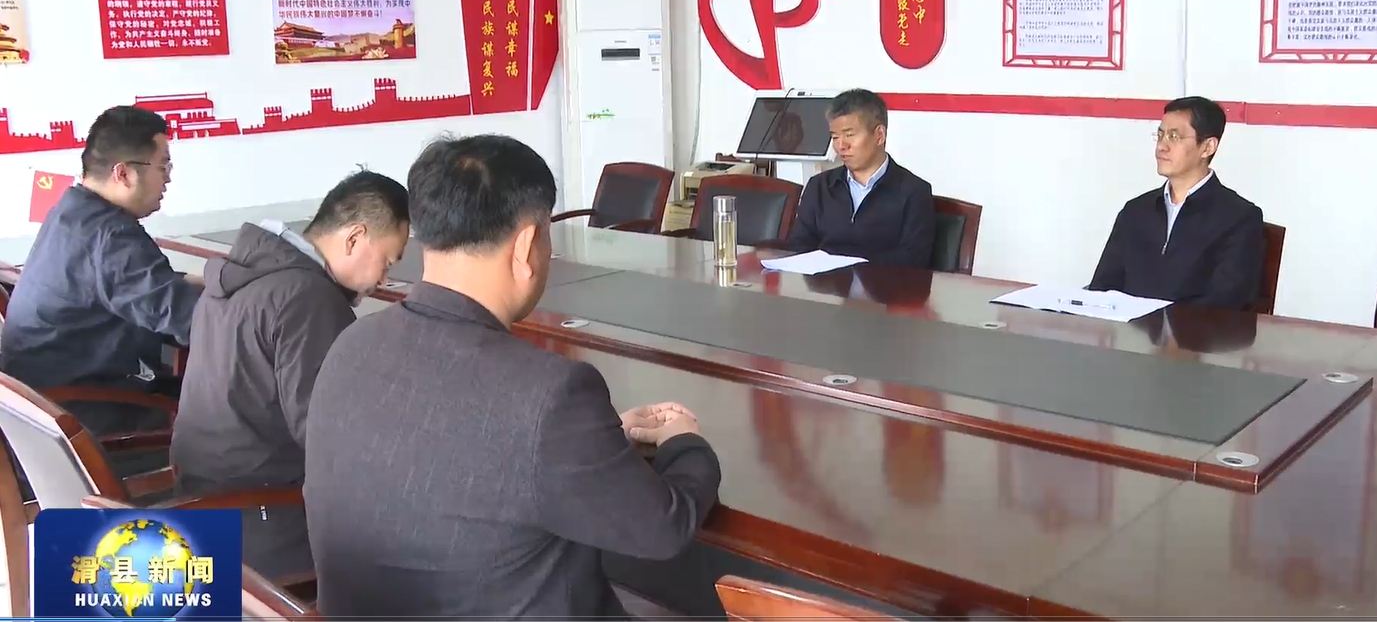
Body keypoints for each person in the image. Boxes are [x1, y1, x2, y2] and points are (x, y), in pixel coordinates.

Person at [304, 134, 721, 618]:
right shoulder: (551, 394)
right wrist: (684, 442)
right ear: (525, 246)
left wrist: (598, 443)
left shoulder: (351, 345)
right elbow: (661, 529)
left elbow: (456, 452)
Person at [169, 170, 409, 578]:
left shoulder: (243, 272)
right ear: (354, 238)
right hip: (262, 519)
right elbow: (327, 439)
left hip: (203, 498)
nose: (385, 279)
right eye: (387, 261)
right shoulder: (310, 299)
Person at [0, 106, 199, 437]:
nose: (168, 178)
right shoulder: (111, 236)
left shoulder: (74, 211)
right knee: (237, 406)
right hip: (85, 413)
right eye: (163, 166)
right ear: (124, 174)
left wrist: (200, 281)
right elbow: (189, 319)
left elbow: (130, 285)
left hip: (39, 409)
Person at [1088, 96, 1265, 311]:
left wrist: (1157, 322)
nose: (1161, 146)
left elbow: (1224, 303)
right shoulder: (1135, 211)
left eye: (1174, 136)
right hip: (1128, 330)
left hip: (1193, 332)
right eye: (1160, 135)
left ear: (1207, 147)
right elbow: (1102, 288)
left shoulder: (1239, 218)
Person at [785, 88, 935, 268]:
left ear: (879, 135)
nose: (841, 146)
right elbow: (799, 245)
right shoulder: (819, 186)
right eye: (835, 137)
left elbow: (915, 258)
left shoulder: (914, 191)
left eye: (849, 135)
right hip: (824, 284)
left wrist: (853, 269)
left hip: (882, 285)